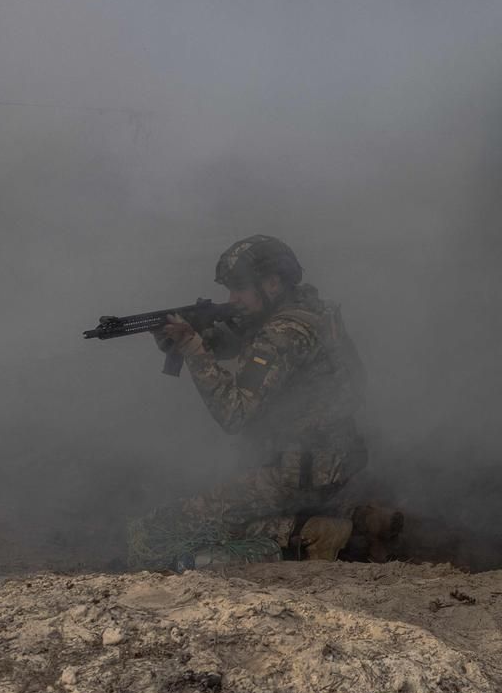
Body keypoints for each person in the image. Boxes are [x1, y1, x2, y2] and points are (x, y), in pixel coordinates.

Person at [127, 235, 372, 570]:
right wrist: (197, 336)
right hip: (330, 462)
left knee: (163, 528)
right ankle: (364, 519)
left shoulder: (282, 333)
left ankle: (310, 534)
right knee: (217, 500)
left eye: (240, 289)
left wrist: (192, 348)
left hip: (297, 474)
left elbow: (235, 414)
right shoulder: (309, 310)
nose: (233, 299)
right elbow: (244, 343)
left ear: (272, 283)